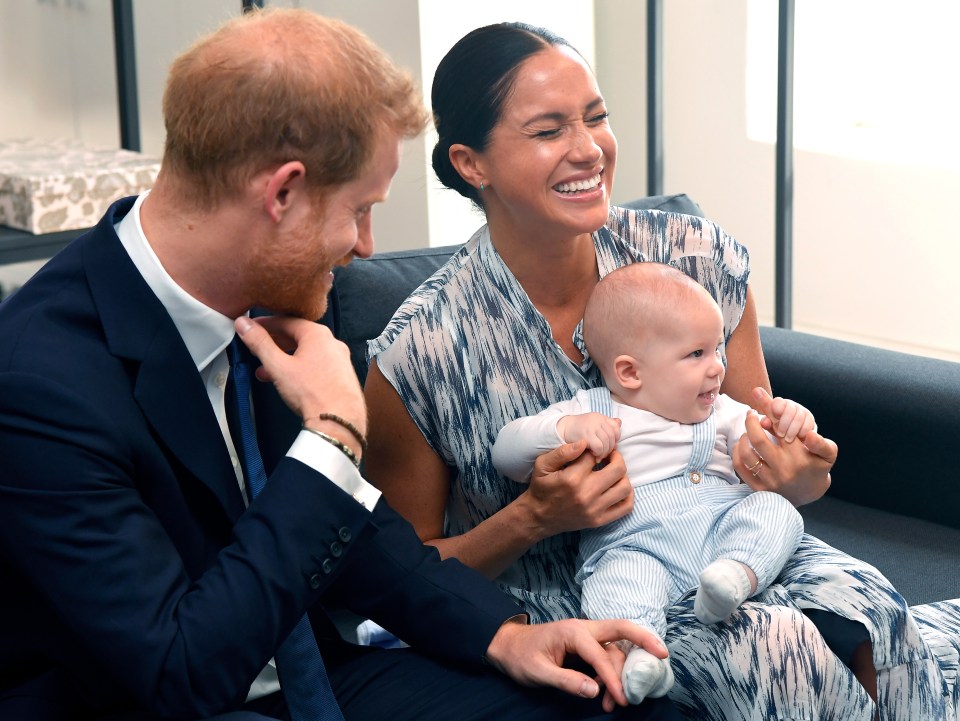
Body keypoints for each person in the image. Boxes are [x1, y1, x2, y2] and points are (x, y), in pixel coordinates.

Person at [0, 9, 683, 721]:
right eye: (360, 209)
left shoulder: (279, 292)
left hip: (316, 676)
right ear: (283, 192)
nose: (365, 245)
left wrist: (507, 634)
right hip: (158, 695)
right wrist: (329, 440)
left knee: (617, 705)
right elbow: (179, 670)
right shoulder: (40, 385)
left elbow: (363, 535)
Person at [363, 20, 954, 720]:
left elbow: (764, 449)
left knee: (874, 607)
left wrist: (798, 472)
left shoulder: (693, 257)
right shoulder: (420, 350)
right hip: (601, 597)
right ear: (471, 163)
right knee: (773, 644)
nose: (589, 149)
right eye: (549, 130)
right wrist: (531, 518)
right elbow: (399, 579)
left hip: (745, 548)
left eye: (596, 117)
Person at [493, 262, 818, 704]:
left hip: (722, 528)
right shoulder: (592, 410)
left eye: (717, 350)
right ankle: (643, 655)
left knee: (777, 512)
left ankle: (735, 577)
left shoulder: (720, 411)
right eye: (696, 354)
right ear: (630, 373)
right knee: (617, 582)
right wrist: (566, 429)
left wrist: (792, 423)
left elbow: (766, 443)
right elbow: (506, 453)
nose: (718, 368)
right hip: (635, 544)